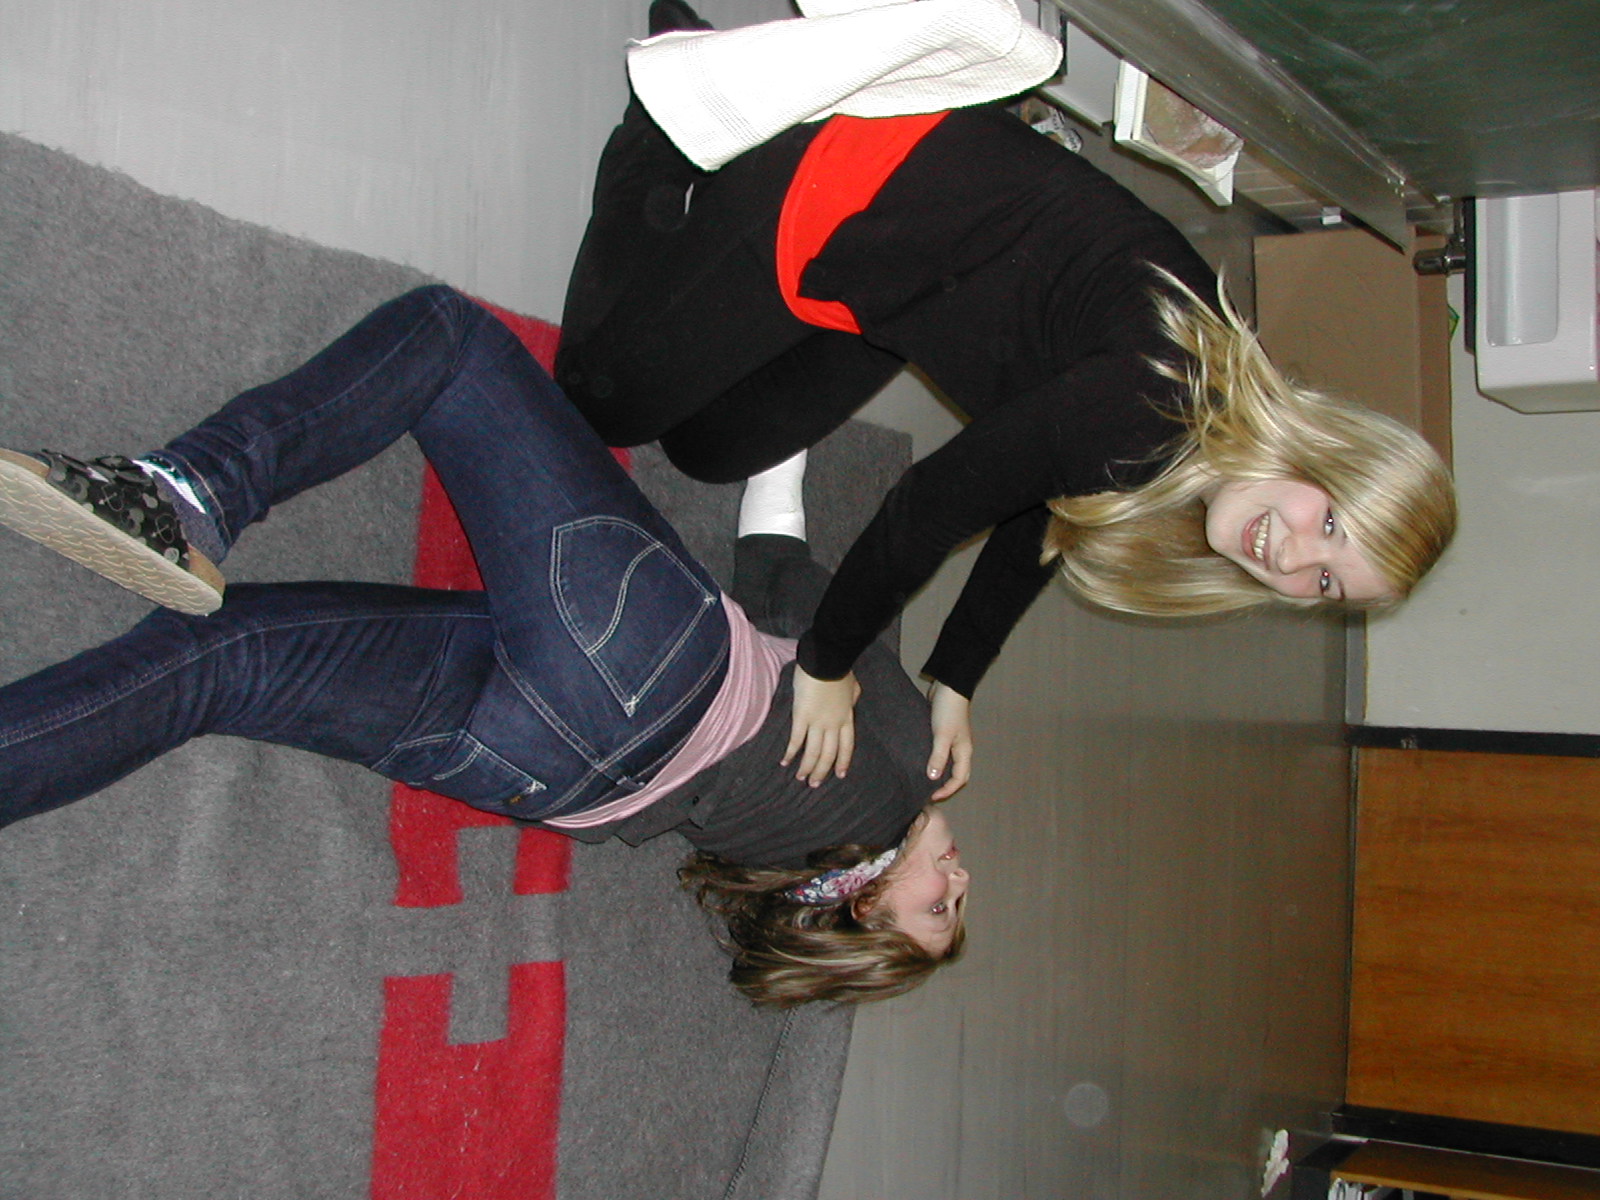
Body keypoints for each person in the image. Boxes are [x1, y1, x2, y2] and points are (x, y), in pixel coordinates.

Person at [554, 0, 1458, 801]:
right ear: (1325, 452)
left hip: (900, 284)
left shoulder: (1210, 427)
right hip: (846, 186)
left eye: (1325, 581)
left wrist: (957, 674)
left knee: (708, 450)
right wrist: (825, 665)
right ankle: (669, 115)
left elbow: (1050, 502)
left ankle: (728, 176)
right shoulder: (1162, 400)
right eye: (1330, 523)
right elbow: (929, 508)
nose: (1293, 556)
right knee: (600, 408)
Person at [0, 285, 967, 1008]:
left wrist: (804, 386)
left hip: (652, 667)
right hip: (549, 776)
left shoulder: (910, 775)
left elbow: (795, 582)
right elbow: (778, 570)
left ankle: (187, 495)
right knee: (228, 660)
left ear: (863, 908)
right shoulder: (771, 862)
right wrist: (788, 429)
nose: (958, 881)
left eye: (938, 906)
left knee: (449, 341)